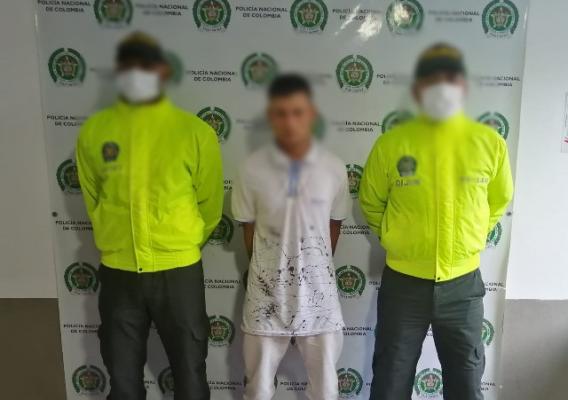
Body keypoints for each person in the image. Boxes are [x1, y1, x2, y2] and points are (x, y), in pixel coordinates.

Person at [359, 43, 514, 400]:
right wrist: (397, 238)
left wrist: (472, 235)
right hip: (403, 285)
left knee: (466, 384)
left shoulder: (489, 144)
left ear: (463, 86)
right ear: (418, 88)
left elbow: (498, 200)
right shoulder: (391, 144)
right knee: (390, 382)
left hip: (463, 286)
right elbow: (370, 201)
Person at [76, 32, 223, 400]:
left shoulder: (194, 133)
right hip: (119, 272)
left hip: (179, 272)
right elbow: (94, 199)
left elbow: (209, 206)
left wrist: (181, 242)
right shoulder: (95, 132)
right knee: (123, 380)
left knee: (191, 374)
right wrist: (115, 240)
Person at [232, 74, 351, 400]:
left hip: (320, 297)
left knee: (326, 390)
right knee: (258, 390)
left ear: (311, 114)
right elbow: (248, 230)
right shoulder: (250, 169)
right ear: (271, 117)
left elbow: (334, 225)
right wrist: (271, 269)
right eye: (281, 113)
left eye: (297, 112)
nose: (289, 121)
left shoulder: (334, 167)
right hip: (266, 299)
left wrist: (313, 266)